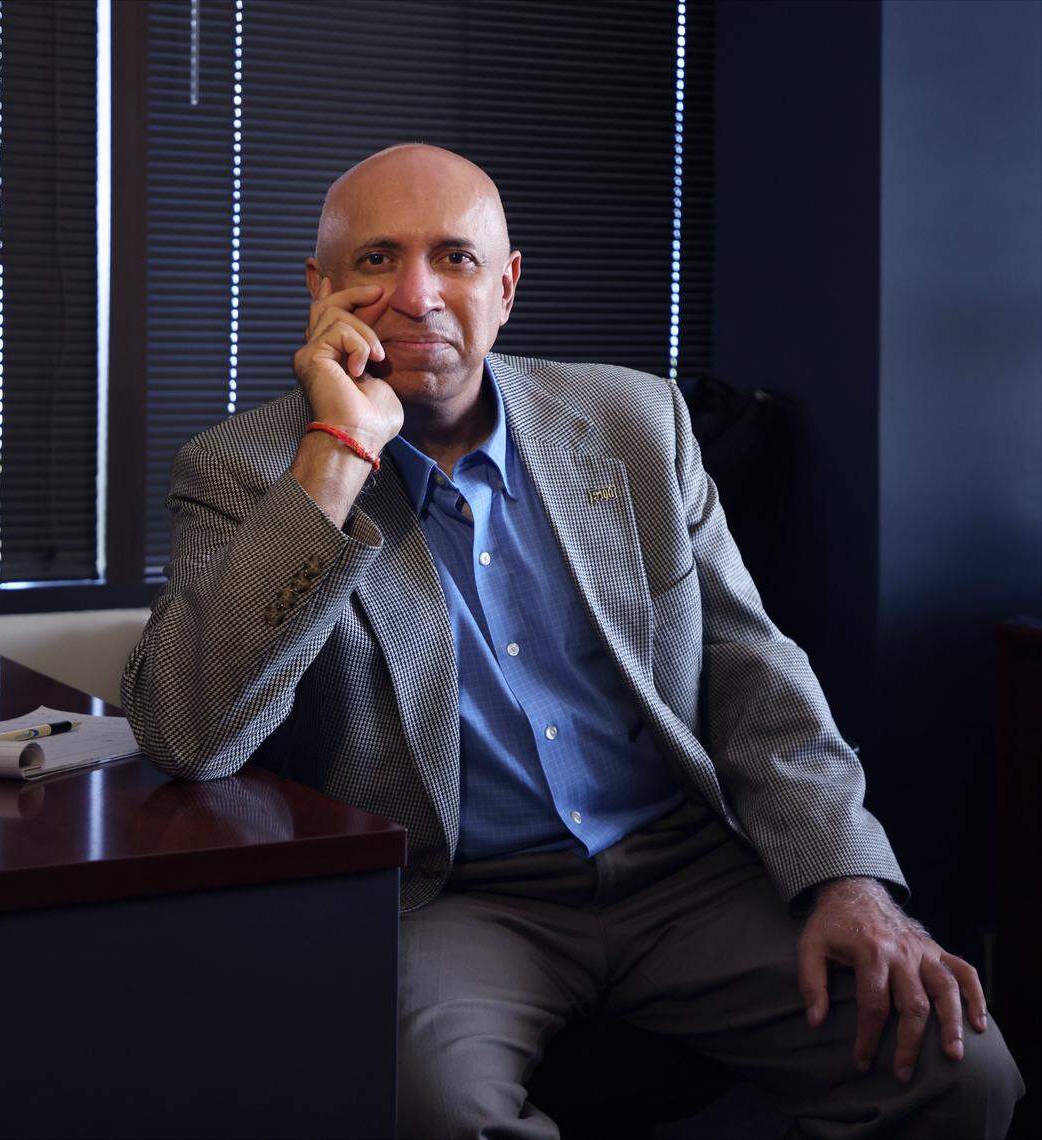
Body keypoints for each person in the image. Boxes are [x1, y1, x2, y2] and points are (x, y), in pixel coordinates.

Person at [122, 144, 1025, 1138]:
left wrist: (849, 881)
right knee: (436, 1115)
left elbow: (752, 670)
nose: (416, 294)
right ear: (321, 287)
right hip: (458, 896)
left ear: (506, 287)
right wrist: (338, 458)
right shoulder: (245, 469)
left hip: (686, 871)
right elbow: (188, 733)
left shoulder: (635, 421)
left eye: (456, 258)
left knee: (959, 1069)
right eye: (377, 258)